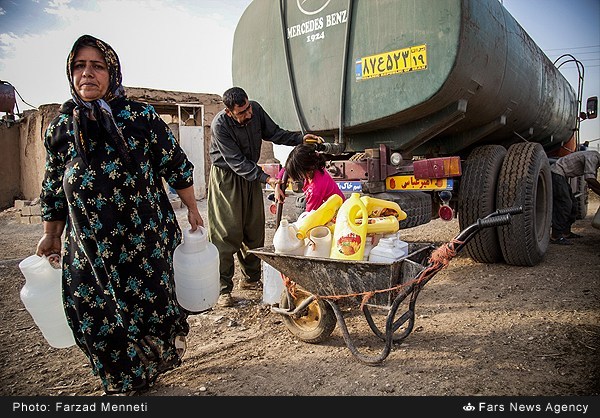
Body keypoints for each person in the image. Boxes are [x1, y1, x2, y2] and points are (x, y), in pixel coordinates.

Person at [36, 34, 204, 395]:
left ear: (112, 72)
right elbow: (52, 187)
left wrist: (192, 208)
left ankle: (147, 366)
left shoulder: (139, 117)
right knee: (91, 311)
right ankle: (122, 380)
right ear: (70, 72)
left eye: (97, 66)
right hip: (89, 246)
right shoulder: (61, 129)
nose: (88, 73)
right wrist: (51, 233)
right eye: (80, 66)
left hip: (143, 241)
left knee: (151, 308)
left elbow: (175, 165)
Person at [208, 86, 322, 307]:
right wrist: (268, 179)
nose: (248, 115)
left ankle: (251, 279)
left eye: (248, 109)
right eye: (241, 113)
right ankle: (223, 288)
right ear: (229, 112)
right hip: (228, 178)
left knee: (253, 228)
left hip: (251, 175)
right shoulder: (220, 126)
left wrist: (300, 138)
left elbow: (275, 133)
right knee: (227, 232)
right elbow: (236, 162)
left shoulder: (256, 111)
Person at [274, 143, 345, 212]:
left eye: (298, 173)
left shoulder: (315, 190)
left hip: (335, 215)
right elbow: (286, 168)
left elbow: (308, 218)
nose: (298, 177)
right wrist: (278, 185)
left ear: (306, 168)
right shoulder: (315, 168)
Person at [550, 150, 600, 245]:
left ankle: (566, 233)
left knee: (573, 204)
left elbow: (591, 185)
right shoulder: (593, 157)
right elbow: (589, 179)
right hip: (557, 173)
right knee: (564, 205)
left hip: (562, 176)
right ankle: (555, 236)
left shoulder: (595, 163)